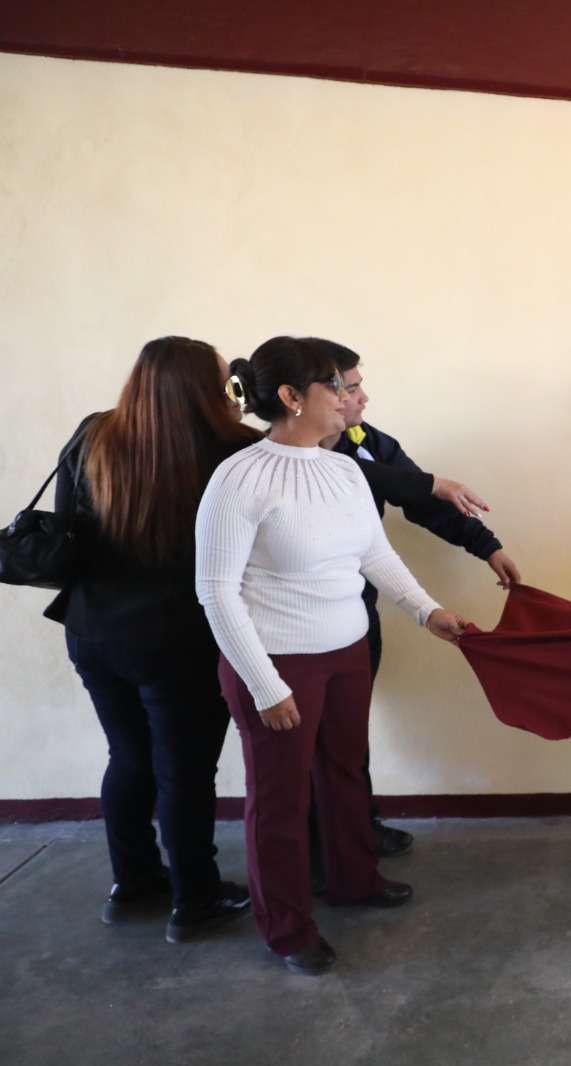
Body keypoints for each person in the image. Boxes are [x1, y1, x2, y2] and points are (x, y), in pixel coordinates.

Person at [194, 336, 472, 976]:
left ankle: (354, 879)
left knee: (344, 773)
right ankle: (286, 928)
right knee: (280, 800)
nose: (356, 397)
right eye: (341, 387)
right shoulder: (238, 478)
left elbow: (375, 556)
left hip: (347, 651)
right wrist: (265, 685)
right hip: (277, 663)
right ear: (292, 397)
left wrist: (428, 612)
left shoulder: (344, 469)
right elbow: (216, 592)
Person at [47, 336, 259, 942]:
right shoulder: (233, 448)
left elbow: (67, 530)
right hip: (182, 639)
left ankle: (134, 881)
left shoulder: (93, 435)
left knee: (128, 756)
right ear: (205, 387)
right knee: (185, 770)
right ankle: (195, 899)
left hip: (95, 631)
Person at [307, 337, 519, 862]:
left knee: (347, 732)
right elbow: (415, 486)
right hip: (293, 628)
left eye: (359, 387)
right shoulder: (272, 460)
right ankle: (311, 847)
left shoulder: (367, 442)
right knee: (302, 741)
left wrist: (488, 547)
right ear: (305, 396)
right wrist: (429, 483)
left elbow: (419, 501)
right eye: (349, 389)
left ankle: (355, 830)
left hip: (356, 615)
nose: (361, 398)